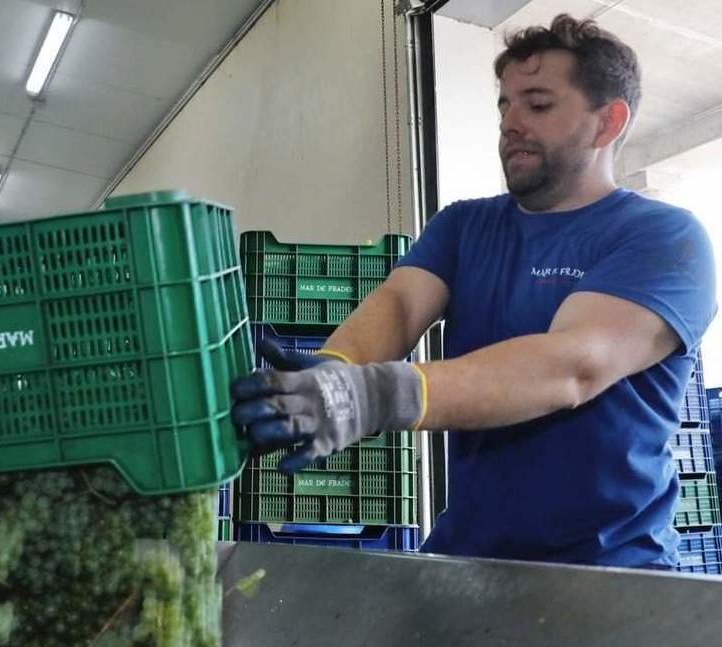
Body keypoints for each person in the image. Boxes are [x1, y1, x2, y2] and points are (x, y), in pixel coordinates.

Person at [231, 14, 717, 569]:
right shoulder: (465, 226)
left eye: (537, 104)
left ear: (607, 122)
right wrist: (333, 369)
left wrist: (370, 397)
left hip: (613, 572)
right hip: (470, 560)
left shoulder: (665, 238)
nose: (511, 123)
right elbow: (399, 304)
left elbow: (572, 366)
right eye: (504, 105)